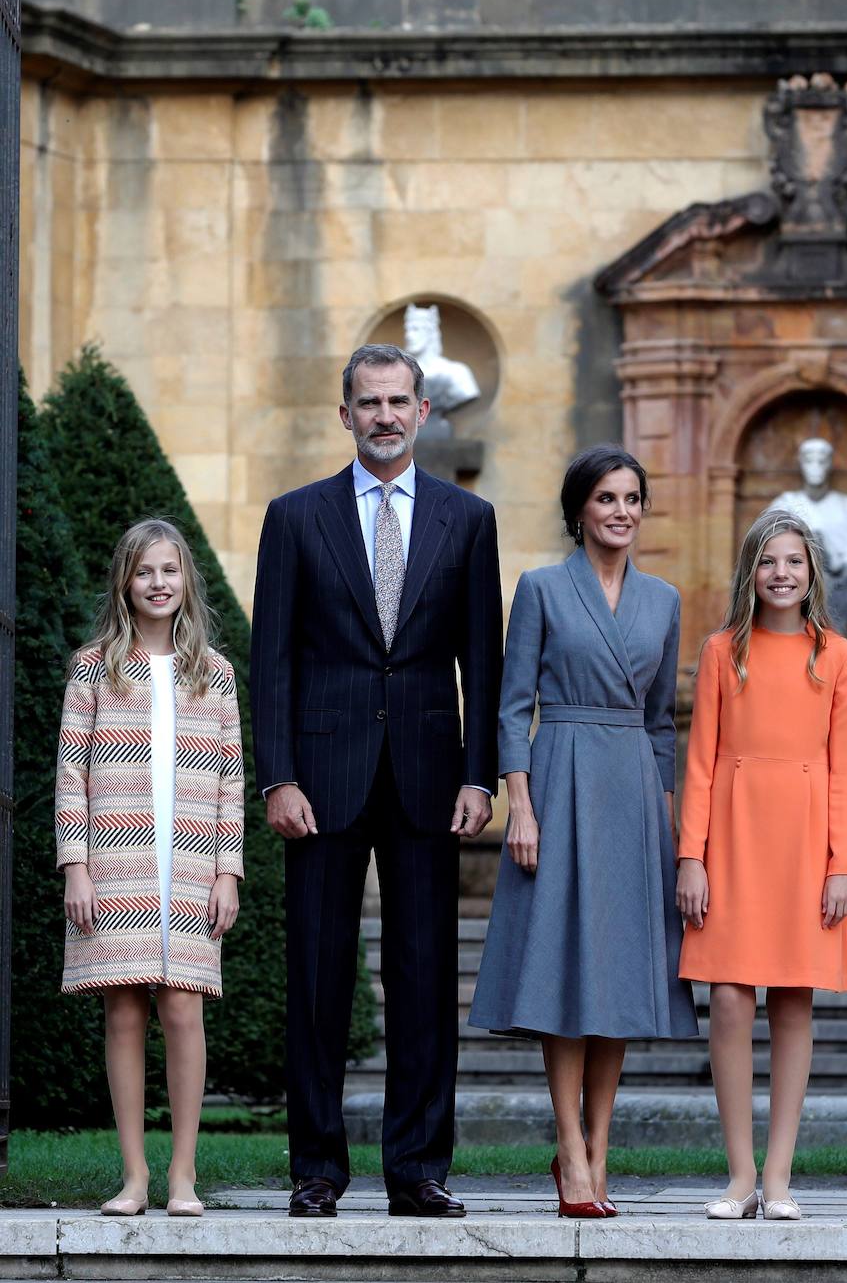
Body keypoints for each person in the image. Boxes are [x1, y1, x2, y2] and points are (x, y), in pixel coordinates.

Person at [250, 343, 502, 1219]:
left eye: (400, 401)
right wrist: (276, 775)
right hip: (320, 778)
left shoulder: (468, 520)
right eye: (369, 403)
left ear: (423, 413)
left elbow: (485, 659)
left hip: (432, 778)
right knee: (316, 977)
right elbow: (270, 658)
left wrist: (481, 777)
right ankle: (317, 1168)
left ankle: (419, 1169)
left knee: (426, 977)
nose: (385, 416)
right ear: (345, 413)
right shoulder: (295, 517)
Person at [469, 445, 697, 1219]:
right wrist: (520, 806)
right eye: (606, 498)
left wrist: (665, 825)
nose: (622, 511)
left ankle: (600, 1148)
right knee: (565, 969)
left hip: (631, 789)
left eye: (633, 498)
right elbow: (510, 705)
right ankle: (569, 1148)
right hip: (559, 779)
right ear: (580, 510)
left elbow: (663, 721)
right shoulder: (540, 589)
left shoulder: (663, 600)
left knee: (621, 975)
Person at [55, 519, 244, 1218]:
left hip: (190, 861)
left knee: (182, 1006)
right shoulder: (94, 667)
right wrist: (76, 864)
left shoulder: (214, 673)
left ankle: (183, 1176)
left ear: (185, 579)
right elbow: (71, 773)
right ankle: (134, 1176)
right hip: (118, 858)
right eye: (145, 572)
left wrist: (229, 871)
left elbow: (230, 778)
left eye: (169, 570)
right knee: (125, 1011)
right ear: (125, 582)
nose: (158, 583)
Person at [677, 509, 847, 1222]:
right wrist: (692, 856)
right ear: (749, 572)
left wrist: (842, 863)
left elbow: (845, 770)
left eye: (793, 561)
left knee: (793, 998)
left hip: (807, 839)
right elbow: (697, 763)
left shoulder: (836, 656)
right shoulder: (724, 651)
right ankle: (739, 1174)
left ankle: (778, 1178)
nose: (780, 573)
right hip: (733, 832)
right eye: (767, 561)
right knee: (728, 998)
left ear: (812, 572)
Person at [769, 438, 847, 694]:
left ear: (830, 465)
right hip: (794, 583)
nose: (815, 467)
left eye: (821, 460)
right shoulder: (785, 503)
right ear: (800, 464)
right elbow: (763, 543)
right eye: (809, 460)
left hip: (837, 582)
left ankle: (841, 661)